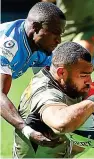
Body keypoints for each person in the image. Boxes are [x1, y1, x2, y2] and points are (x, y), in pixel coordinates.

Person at [13, 42, 94, 158]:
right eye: (84, 75)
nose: (90, 81)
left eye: (90, 74)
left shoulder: (68, 82)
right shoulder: (46, 94)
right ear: (61, 72)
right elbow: (61, 123)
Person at [0, 1, 66, 146]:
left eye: (61, 34)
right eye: (55, 33)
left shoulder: (42, 48)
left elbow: (47, 86)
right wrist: (27, 130)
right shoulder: (9, 44)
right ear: (35, 27)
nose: (59, 40)